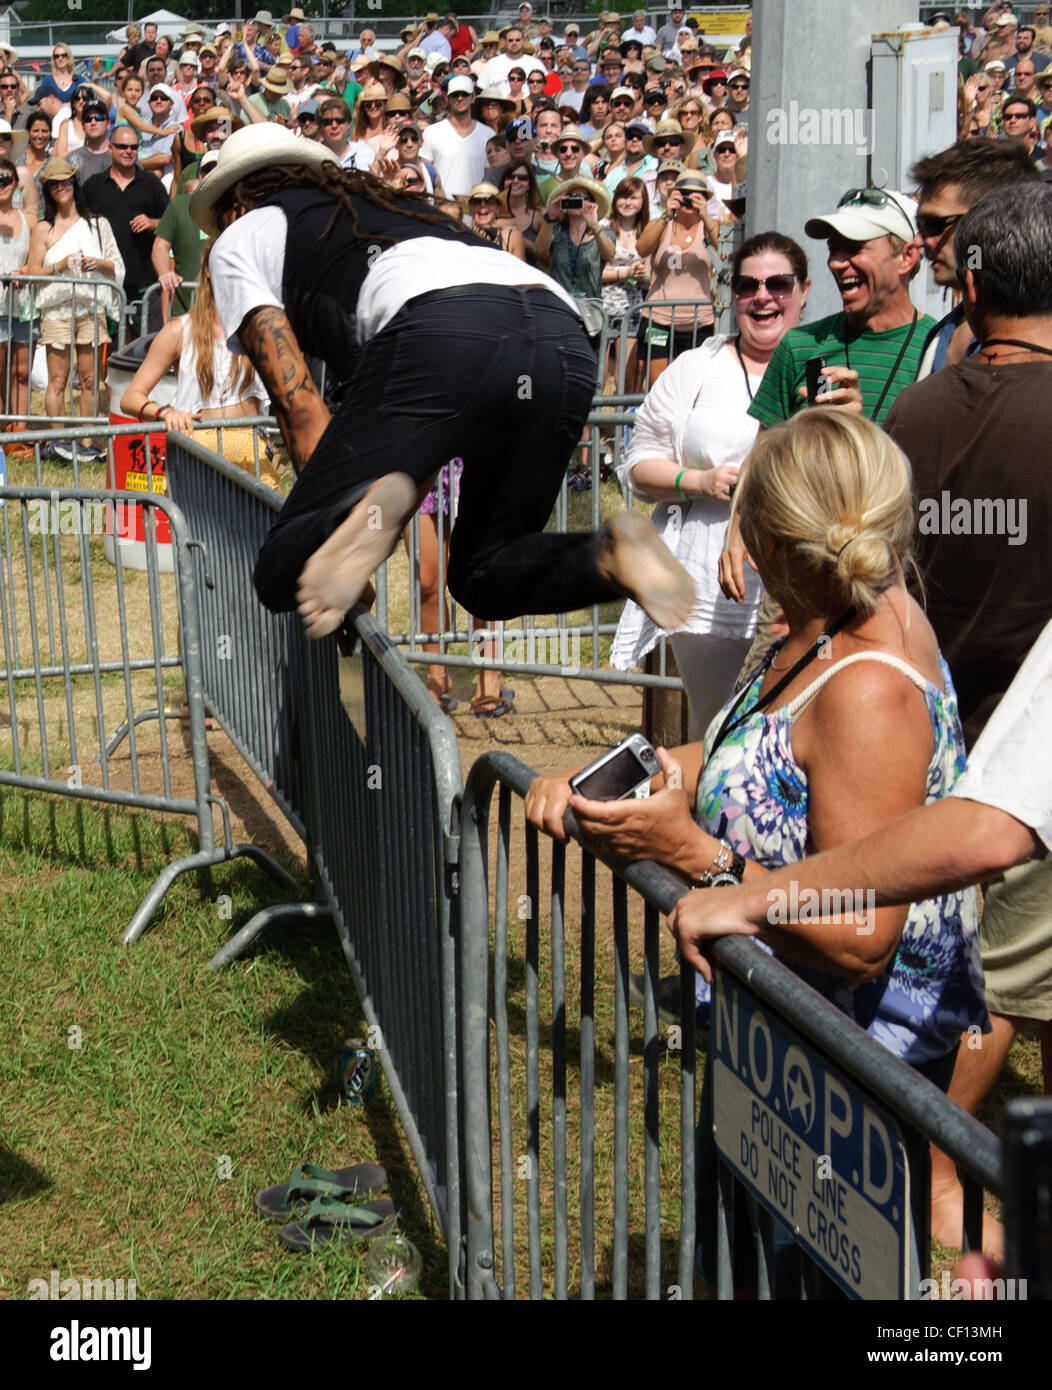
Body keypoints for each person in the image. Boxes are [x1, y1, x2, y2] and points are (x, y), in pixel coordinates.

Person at [191, 124, 693, 639]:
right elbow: (409, 444)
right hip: (560, 335)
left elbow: (298, 404)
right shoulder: (400, 211)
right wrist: (358, 537)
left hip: (439, 328)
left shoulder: (242, 235)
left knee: (279, 571)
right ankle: (607, 556)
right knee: (483, 572)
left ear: (238, 202)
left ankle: (326, 538)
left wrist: (325, 538)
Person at [611, 233, 812, 739]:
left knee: (795, 732)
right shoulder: (696, 368)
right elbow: (637, 465)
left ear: (803, 290)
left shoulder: (825, 365)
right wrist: (697, 480)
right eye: (747, 285)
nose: (762, 296)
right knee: (718, 730)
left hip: (804, 580)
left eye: (778, 284)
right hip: (708, 585)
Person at [120, 241, 275, 485]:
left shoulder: (261, 331)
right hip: (197, 450)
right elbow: (130, 398)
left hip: (251, 453)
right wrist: (165, 413)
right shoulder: (178, 331)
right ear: (208, 269)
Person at [910, 138, 1040, 378]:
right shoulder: (940, 337)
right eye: (919, 223)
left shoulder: (1037, 347)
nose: (919, 240)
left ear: (988, 221)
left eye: (932, 224)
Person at [26, 158, 123, 462]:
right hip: (56, 310)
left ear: (74, 184)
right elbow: (32, 272)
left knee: (90, 379)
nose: (61, 187)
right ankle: (55, 441)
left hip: (90, 307)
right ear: (48, 191)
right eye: (54, 184)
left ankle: (86, 441)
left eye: (66, 181)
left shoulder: (98, 224)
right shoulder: (44, 228)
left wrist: (98, 263)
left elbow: (116, 266)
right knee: (57, 380)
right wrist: (60, 265)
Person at [635, 169, 719, 386]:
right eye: (684, 193)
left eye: (696, 194)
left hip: (699, 322)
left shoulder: (711, 228)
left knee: (693, 386)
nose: (689, 199)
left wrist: (706, 217)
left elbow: (724, 256)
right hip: (659, 320)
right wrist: (666, 214)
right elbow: (642, 248)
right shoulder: (661, 225)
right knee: (658, 385)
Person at [82, 130, 168, 338]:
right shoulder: (93, 185)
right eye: (122, 146)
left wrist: (152, 222)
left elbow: (172, 224)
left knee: (149, 350)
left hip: (145, 286)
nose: (128, 151)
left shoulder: (151, 183)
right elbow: (79, 226)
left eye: (133, 147)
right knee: (106, 356)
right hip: (106, 284)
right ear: (110, 148)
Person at [0, 157, 35, 438]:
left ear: (15, 183)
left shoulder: (29, 219)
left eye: (6, 179)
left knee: (22, 372)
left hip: (24, 305)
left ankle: (20, 433)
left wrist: (24, 271)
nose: (1, 185)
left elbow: (37, 261)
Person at [535, 176, 614, 299]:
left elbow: (609, 255)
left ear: (592, 203)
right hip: (559, 304)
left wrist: (594, 225)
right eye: (572, 197)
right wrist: (551, 217)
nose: (577, 201)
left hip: (590, 306)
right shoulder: (556, 230)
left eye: (582, 198)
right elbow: (539, 250)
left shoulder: (603, 232)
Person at [420, 76, 491, 197]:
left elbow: (489, 177)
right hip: (441, 209)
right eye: (455, 95)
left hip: (475, 210)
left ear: (473, 97)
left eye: (464, 94)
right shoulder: (431, 132)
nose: (460, 98)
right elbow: (425, 173)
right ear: (447, 99)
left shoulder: (488, 135)